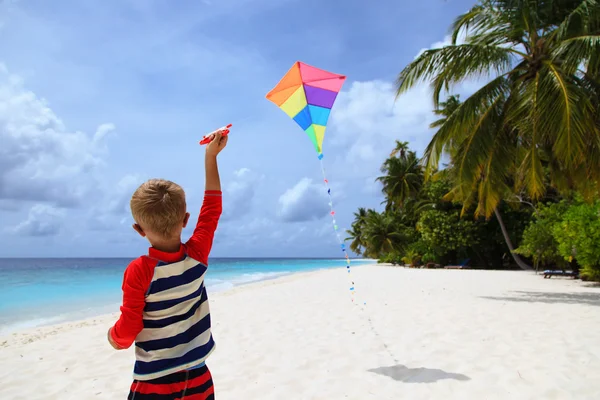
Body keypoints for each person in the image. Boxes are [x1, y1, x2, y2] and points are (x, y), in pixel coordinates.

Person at [107, 130, 228, 400]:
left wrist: (114, 338)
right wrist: (211, 156)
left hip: (155, 382)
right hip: (199, 377)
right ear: (185, 220)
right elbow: (212, 208)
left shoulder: (140, 271)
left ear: (139, 229)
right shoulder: (197, 255)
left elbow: (128, 329)